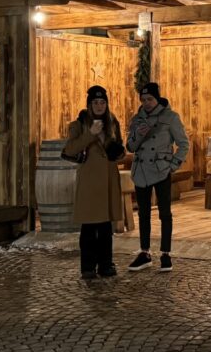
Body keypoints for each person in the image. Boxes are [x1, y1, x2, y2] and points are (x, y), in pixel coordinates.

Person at [126, 82, 190, 273]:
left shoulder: (170, 117)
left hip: (161, 170)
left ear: (157, 98)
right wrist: (138, 134)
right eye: (143, 100)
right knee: (143, 213)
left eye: (150, 99)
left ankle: (165, 254)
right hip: (141, 172)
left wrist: (173, 165)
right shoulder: (137, 119)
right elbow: (130, 147)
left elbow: (183, 144)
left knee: (165, 213)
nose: (146, 103)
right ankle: (145, 252)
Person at [63, 85, 125, 280]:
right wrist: (90, 134)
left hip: (107, 179)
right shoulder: (78, 125)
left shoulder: (112, 123)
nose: (99, 106)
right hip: (90, 181)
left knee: (106, 227)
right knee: (89, 227)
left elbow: (120, 150)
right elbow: (70, 149)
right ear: (89, 105)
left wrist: (117, 151)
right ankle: (87, 267)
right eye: (96, 103)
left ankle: (106, 264)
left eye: (103, 102)